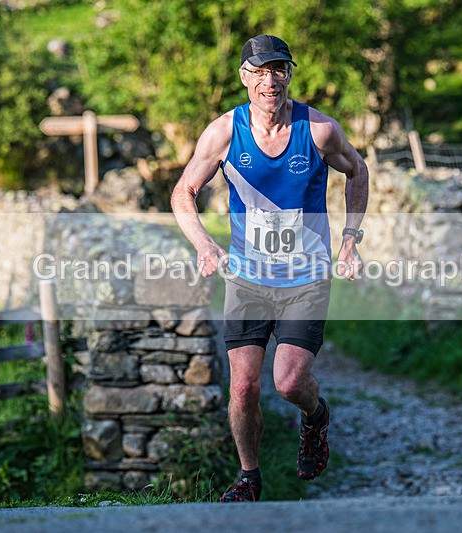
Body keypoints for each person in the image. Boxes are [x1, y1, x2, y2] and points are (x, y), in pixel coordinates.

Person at [171, 34, 369, 502]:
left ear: (289, 75)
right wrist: (203, 244)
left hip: (306, 278)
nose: (269, 80)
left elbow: (357, 171)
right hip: (247, 278)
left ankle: (315, 416)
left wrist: (350, 242)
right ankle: (248, 478)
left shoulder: (319, 130)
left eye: (278, 69)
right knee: (242, 388)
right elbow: (183, 192)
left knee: (288, 381)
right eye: (259, 71)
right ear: (244, 77)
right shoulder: (223, 132)